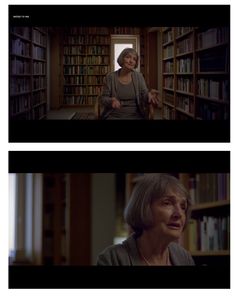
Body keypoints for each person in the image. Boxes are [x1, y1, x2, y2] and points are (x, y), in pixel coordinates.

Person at [97, 173, 195, 266]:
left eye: (183, 207)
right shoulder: (112, 259)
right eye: (167, 203)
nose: (179, 214)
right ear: (144, 207)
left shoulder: (184, 258)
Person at [100, 48, 160, 120]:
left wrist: (149, 95)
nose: (131, 61)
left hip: (135, 115)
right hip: (114, 114)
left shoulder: (139, 76)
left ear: (135, 63)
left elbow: (144, 94)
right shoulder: (110, 77)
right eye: (128, 57)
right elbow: (103, 99)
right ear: (122, 59)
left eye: (134, 59)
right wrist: (111, 101)